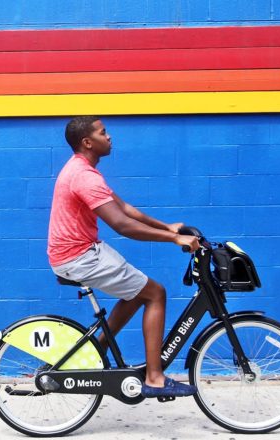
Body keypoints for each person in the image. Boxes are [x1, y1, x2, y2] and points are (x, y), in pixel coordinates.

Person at [47, 116, 200, 398]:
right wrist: (175, 239)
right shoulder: (83, 176)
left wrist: (166, 226)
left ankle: (96, 351)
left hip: (81, 251)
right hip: (80, 256)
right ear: (87, 142)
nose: (110, 137)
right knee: (155, 293)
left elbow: (125, 208)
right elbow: (122, 225)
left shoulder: (84, 171)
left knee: (138, 292)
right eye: (103, 132)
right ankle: (155, 378)